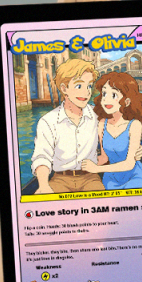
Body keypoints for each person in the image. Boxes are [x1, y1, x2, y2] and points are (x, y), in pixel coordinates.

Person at [30, 58, 105, 194]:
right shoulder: (48, 121)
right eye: (79, 86)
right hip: (60, 179)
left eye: (89, 86)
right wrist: (43, 185)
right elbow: (42, 157)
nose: (86, 92)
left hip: (90, 178)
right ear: (64, 89)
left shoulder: (98, 116)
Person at [81, 72, 142, 190]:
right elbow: (104, 158)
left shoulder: (134, 125)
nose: (106, 99)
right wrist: (83, 165)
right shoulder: (102, 123)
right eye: (104, 94)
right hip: (112, 178)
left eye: (114, 95)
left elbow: (129, 164)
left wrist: (97, 169)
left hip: (135, 176)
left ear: (127, 101)